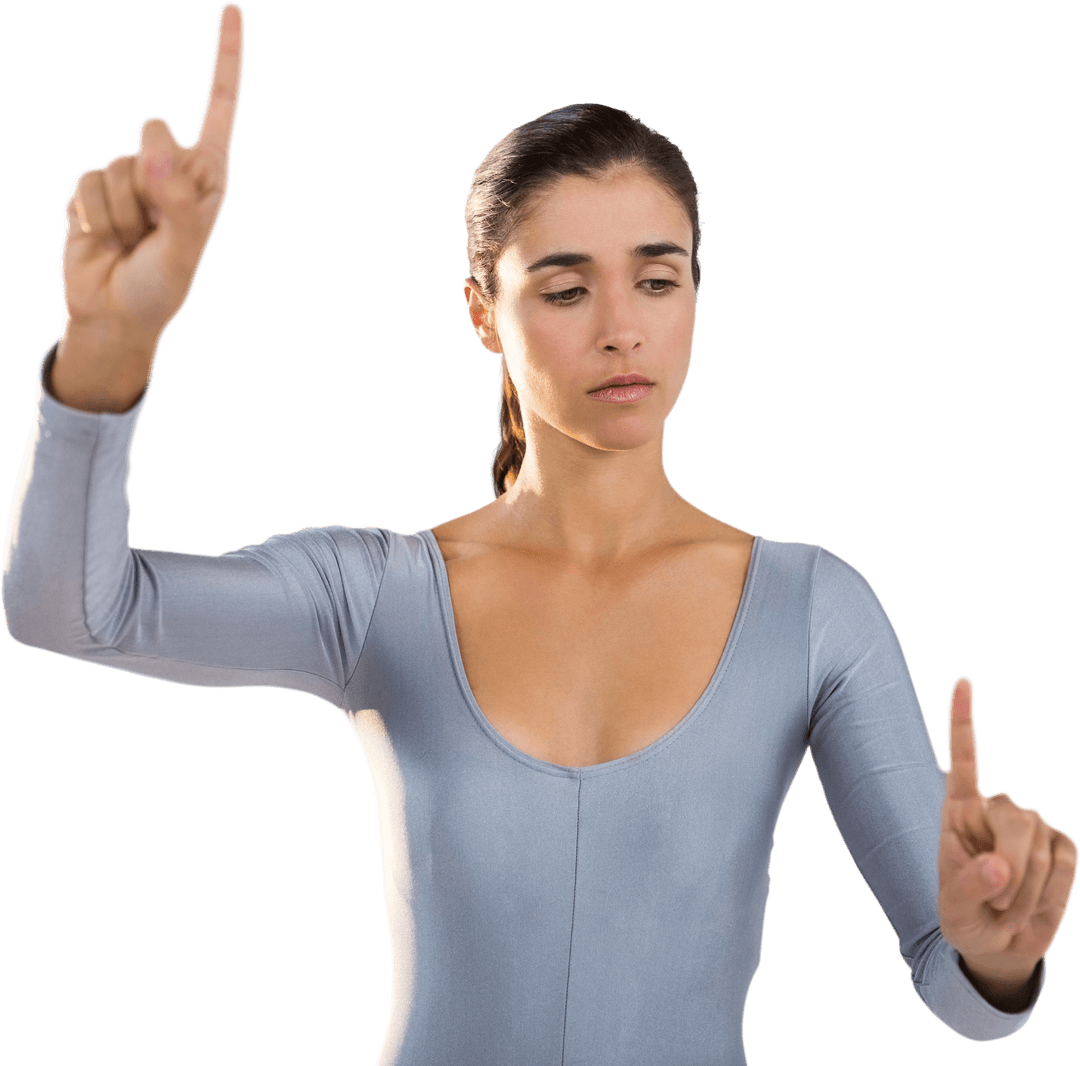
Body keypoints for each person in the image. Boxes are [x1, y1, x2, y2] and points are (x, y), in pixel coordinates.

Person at [3, 5, 1075, 1064]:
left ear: (697, 292)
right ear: (482, 311)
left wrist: (998, 954)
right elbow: (71, 610)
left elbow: (962, 989)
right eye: (566, 288)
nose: (621, 325)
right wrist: (109, 341)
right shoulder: (378, 595)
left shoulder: (810, 610)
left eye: (658, 278)